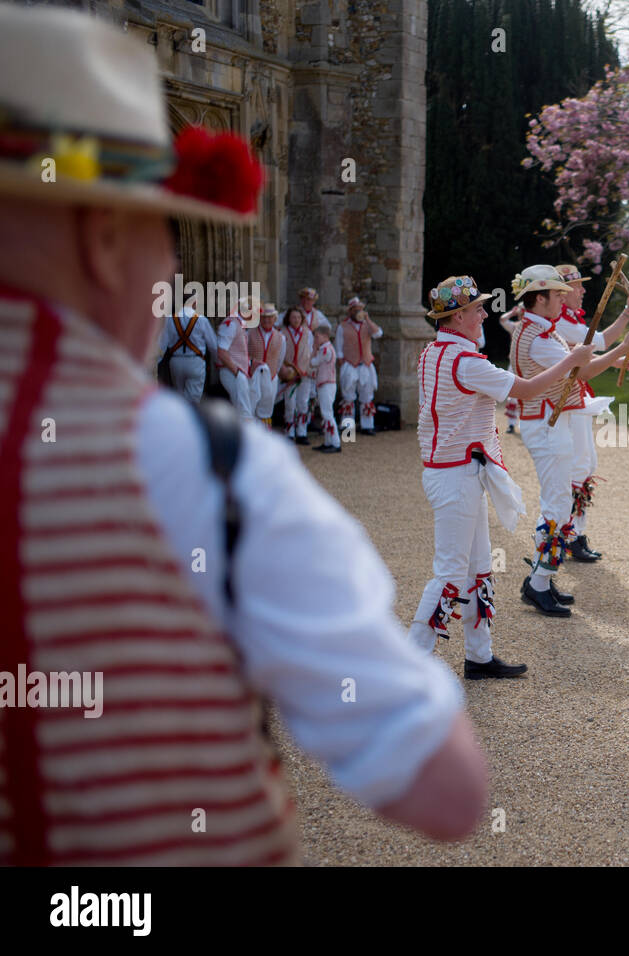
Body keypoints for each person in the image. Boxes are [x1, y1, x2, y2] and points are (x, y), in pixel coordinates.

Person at [0, 4, 486, 863]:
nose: (175, 271)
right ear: (107, 236)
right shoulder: (203, 466)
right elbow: (447, 790)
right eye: (170, 242)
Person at [412, 275, 598, 677]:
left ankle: (479, 656)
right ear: (458, 317)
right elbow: (526, 390)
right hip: (456, 475)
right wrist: (573, 360)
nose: (484, 313)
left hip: (458, 472)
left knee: (479, 564)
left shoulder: (432, 352)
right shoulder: (465, 362)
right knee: (448, 572)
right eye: (477, 308)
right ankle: (408, 667)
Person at [509, 264, 629, 615]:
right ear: (539, 299)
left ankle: (541, 579)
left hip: (554, 422)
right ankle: (537, 584)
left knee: (559, 501)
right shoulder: (537, 337)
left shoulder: (542, 330)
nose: (564, 297)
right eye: (557, 293)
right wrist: (620, 351)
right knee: (556, 505)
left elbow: (580, 361)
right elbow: (583, 369)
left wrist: (614, 353)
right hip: (547, 425)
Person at [552, 263, 629, 562]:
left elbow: (586, 353)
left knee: (585, 465)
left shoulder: (566, 321)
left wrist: (614, 362)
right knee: (578, 467)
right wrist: (627, 316)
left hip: (576, 400)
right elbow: (599, 341)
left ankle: (575, 533)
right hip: (566, 403)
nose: (584, 291)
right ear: (562, 293)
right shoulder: (559, 323)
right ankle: (566, 536)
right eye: (579, 286)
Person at [336, 297, 383, 435]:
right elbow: (339, 346)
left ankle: (367, 426)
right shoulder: (342, 326)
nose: (358, 312)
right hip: (350, 364)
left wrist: (367, 319)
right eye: (355, 309)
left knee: (367, 395)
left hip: (366, 363)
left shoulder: (367, 325)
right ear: (350, 311)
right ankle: (348, 428)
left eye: (360, 309)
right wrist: (341, 360)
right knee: (348, 396)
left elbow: (378, 333)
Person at [157, 300, 218, 404]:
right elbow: (213, 345)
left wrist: (156, 362)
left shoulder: (170, 319)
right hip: (196, 362)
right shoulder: (201, 320)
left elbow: (162, 345)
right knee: (193, 400)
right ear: (194, 302)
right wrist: (217, 362)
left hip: (175, 362)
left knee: (178, 398)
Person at [247, 301, 286, 428]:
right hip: (253, 376)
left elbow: (280, 358)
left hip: (271, 377)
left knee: (267, 406)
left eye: (270, 318)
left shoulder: (281, 337)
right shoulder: (249, 333)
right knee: (251, 405)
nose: (267, 320)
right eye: (264, 317)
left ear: (275, 319)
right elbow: (244, 353)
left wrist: (274, 373)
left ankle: (264, 436)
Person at [216, 297, 255, 421]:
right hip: (233, 372)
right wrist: (237, 372)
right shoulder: (231, 324)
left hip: (237, 372)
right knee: (243, 410)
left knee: (242, 409)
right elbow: (222, 351)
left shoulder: (239, 323)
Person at [280, 305, 314, 445]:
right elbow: (280, 354)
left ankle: (302, 432)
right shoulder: (283, 333)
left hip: (304, 373)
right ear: (288, 318)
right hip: (289, 374)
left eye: (299, 317)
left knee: (303, 402)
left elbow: (310, 352)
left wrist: (308, 369)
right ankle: (289, 431)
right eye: (293, 317)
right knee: (290, 402)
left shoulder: (308, 333)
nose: (296, 320)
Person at [311, 321, 341, 453]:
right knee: (326, 413)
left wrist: (313, 350)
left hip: (327, 384)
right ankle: (328, 441)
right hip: (326, 383)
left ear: (325, 336)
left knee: (328, 413)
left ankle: (335, 442)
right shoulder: (326, 349)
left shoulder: (325, 350)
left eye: (317, 337)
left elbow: (313, 362)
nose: (315, 339)